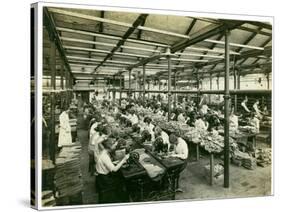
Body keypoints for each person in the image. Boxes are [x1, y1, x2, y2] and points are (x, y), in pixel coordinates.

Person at [95, 138, 129, 203]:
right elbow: (114, 170)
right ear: (109, 146)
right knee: (122, 180)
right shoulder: (105, 156)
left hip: (101, 176)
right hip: (104, 180)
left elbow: (108, 164)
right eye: (114, 145)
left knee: (120, 176)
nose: (115, 147)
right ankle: (122, 199)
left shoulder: (104, 152)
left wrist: (116, 163)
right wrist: (124, 159)